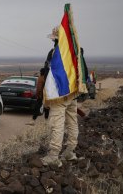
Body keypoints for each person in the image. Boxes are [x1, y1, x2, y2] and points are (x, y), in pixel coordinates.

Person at [41, 26, 79, 168]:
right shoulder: (76, 51)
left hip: (60, 95)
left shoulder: (56, 53)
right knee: (72, 122)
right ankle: (70, 151)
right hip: (72, 93)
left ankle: (53, 156)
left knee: (57, 124)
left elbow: (51, 75)